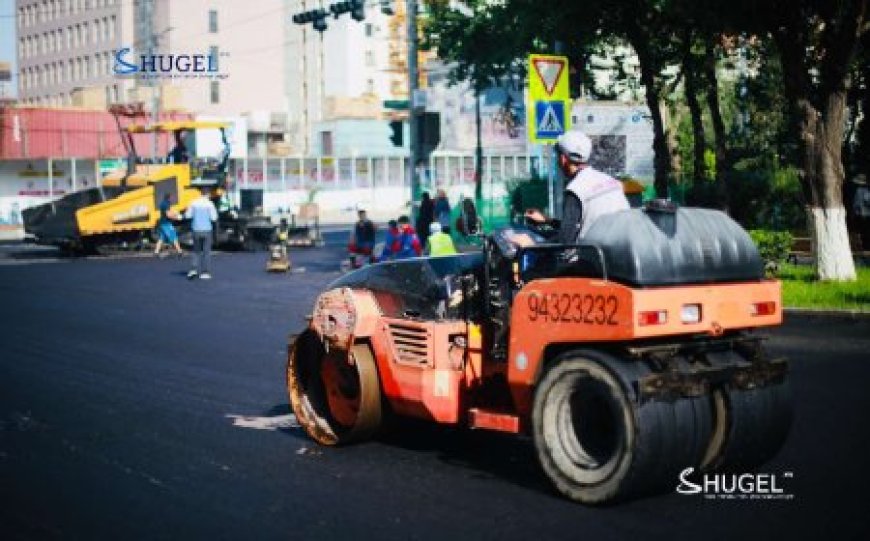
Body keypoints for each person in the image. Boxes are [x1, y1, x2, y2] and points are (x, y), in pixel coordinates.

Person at [555, 130, 629, 243]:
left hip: (594, 256)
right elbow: (583, 222)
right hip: (623, 248)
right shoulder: (611, 181)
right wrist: (549, 221)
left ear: (563, 159)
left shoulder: (575, 190)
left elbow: (565, 240)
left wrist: (532, 244)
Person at [185, 187, 218, 280]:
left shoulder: (193, 202)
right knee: (206, 252)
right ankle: (205, 272)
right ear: (208, 194)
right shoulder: (210, 204)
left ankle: (193, 270)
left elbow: (188, 215)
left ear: (200, 193)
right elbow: (214, 218)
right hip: (207, 230)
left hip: (196, 229)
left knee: (196, 251)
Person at [853, 174, 870, 248]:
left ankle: (866, 246)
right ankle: (865, 246)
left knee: (865, 232)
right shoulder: (859, 190)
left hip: (865, 215)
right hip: (863, 215)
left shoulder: (861, 190)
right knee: (864, 233)